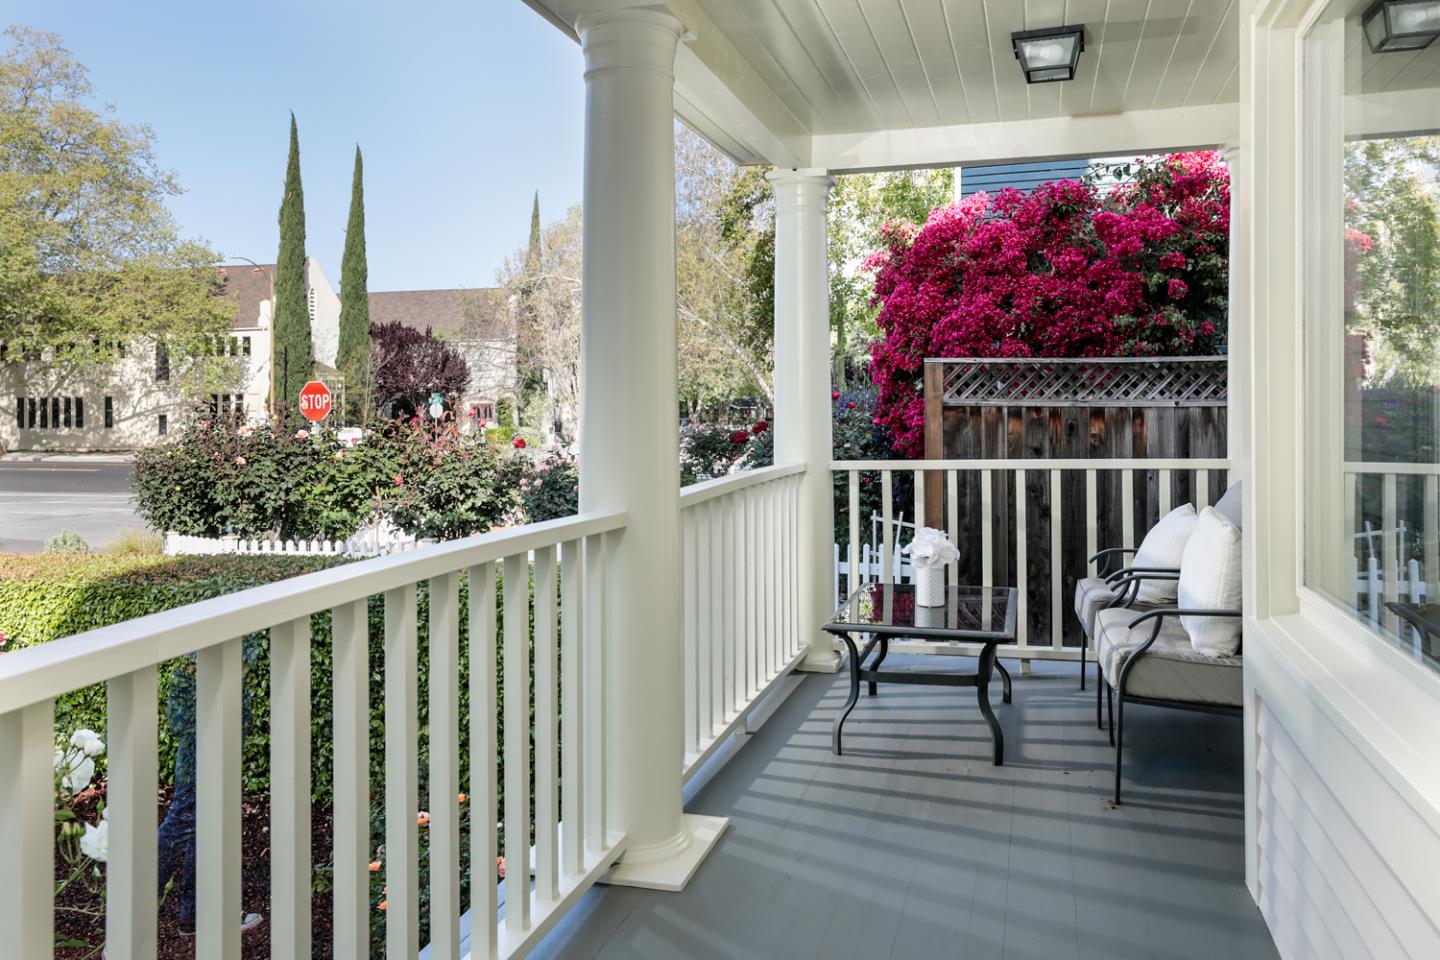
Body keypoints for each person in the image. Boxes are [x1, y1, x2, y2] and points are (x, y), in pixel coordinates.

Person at [157, 644, 263, 934]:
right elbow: (178, 720)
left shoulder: (232, 666)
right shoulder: (190, 668)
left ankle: (196, 915)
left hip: (223, 757)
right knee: (178, 827)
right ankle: (125, 925)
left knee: (205, 830)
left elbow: (243, 714)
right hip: (197, 761)